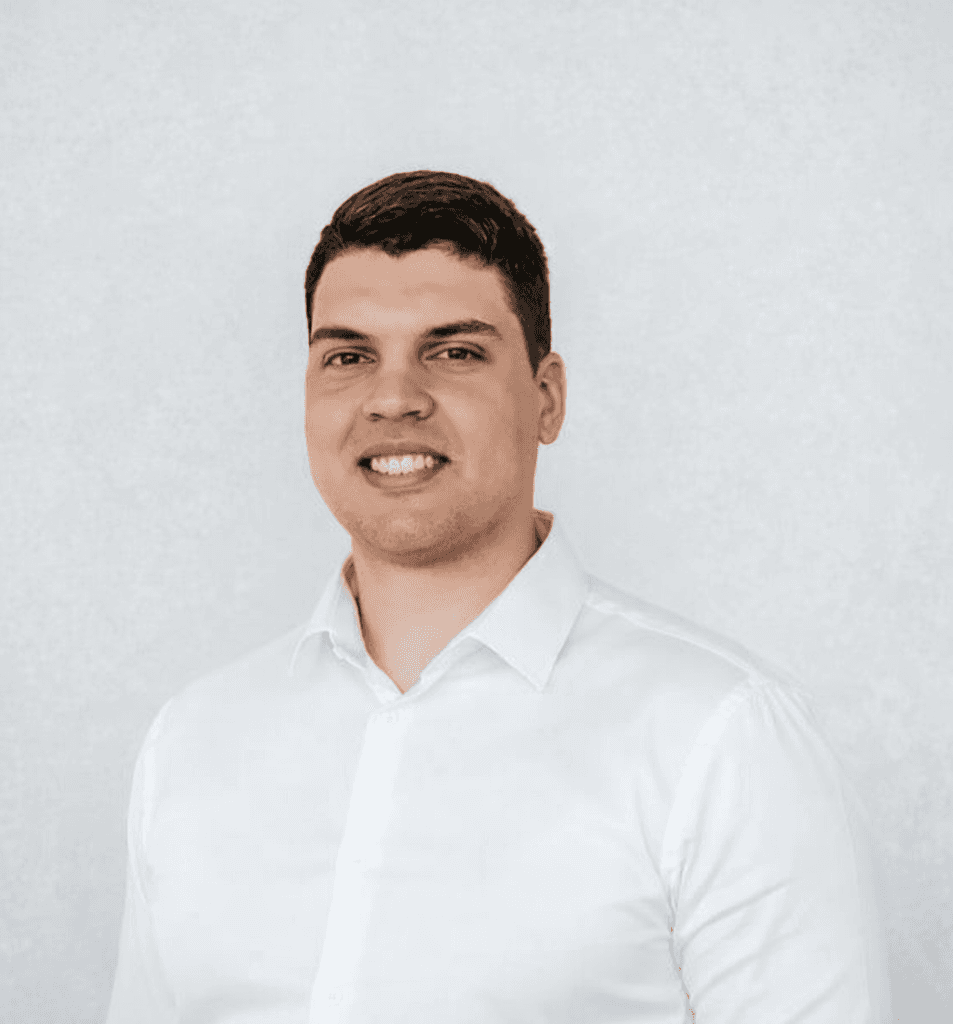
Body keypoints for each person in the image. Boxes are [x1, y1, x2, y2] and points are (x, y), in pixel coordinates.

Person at [105, 170, 891, 1023]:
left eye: (454, 352)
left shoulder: (723, 740)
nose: (394, 398)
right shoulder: (193, 744)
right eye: (348, 356)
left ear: (545, 398)